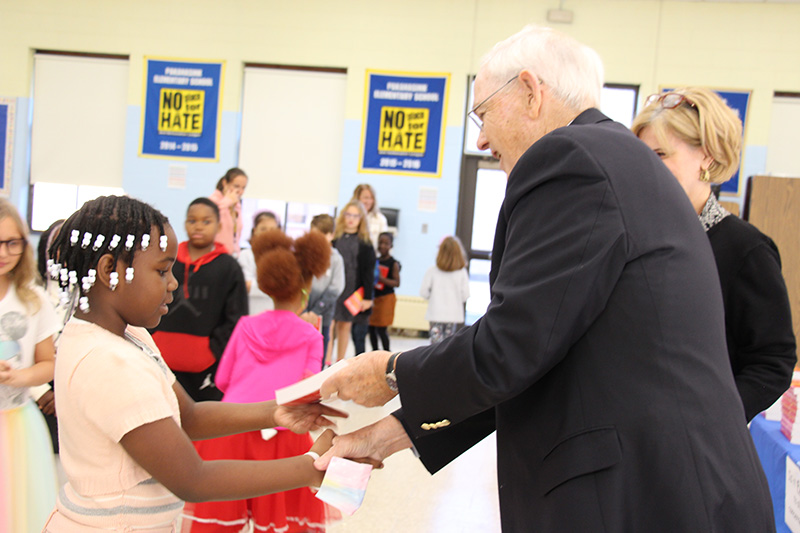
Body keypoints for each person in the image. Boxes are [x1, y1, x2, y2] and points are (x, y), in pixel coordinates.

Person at [315, 25, 776, 532]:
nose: (482, 137)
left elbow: (512, 344)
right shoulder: (616, 159)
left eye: (483, 112)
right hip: (675, 492)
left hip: (642, 498)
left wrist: (390, 372)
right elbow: (545, 351)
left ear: (532, 91)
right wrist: (392, 433)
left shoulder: (571, 159)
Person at [43, 195, 343, 532]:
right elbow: (193, 479)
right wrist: (309, 467)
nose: (173, 283)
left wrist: (275, 412)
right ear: (110, 269)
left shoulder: (130, 336)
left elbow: (188, 415)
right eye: (161, 270)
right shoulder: (107, 362)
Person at [632, 87, 796, 422]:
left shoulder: (745, 249)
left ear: (706, 157)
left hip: (694, 442)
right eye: (643, 156)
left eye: (661, 154)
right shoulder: (634, 237)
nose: (649, 168)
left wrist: (710, 417)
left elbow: (772, 361)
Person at [183, 229, 332, 533]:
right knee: (282, 516)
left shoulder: (245, 325)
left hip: (232, 426)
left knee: (219, 519)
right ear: (305, 290)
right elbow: (309, 391)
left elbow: (223, 379)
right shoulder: (311, 336)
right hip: (285, 432)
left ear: (269, 287)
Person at [150, 198, 248, 401]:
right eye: (192, 220)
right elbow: (149, 299)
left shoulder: (228, 267)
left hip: (206, 367)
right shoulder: (168, 260)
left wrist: (213, 351)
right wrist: (152, 337)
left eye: (206, 221)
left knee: (202, 421)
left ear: (219, 226)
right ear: (185, 223)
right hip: (160, 360)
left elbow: (236, 316)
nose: (198, 226)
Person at [0, 199, 59, 533]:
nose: (5, 252)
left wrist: (18, 377)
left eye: (13, 243)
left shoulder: (33, 299)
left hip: (16, 426)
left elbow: (47, 364)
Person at [34, 218, 65, 455]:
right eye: (55, 246)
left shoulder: (91, 297)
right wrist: (41, 391)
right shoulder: (31, 294)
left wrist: (64, 394)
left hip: (72, 390)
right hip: (34, 389)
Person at [331, 201, 375, 363]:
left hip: (352, 288)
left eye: (355, 216)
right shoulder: (335, 238)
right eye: (348, 215)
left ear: (361, 219)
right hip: (334, 286)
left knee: (345, 325)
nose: (351, 219)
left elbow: (368, 273)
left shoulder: (365, 243)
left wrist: (368, 297)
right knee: (330, 324)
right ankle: (327, 360)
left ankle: (339, 362)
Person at [304, 214, 344, 367]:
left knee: (318, 352)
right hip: (302, 312)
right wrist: (304, 309)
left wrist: (315, 311)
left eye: (322, 236)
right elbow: (298, 282)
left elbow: (336, 288)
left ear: (331, 235)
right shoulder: (303, 254)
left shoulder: (336, 259)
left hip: (323, 314)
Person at [419, 236, 469, 344]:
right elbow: (465, 295)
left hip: (435, 313)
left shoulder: (432, 271)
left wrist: (432, 297)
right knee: (447, 344)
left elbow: (423, 292)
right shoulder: (462, 272)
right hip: (453, 315)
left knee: (435, 344)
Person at [238, 211, 281, 315]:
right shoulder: (246, 255)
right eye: (263, 229)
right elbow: (246, 286)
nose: (267, 233)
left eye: (272, 230)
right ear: (255, 231)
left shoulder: (281, 257)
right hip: (250, 312)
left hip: (273, 313)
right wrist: (272, 285)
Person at [368, 232, 400, 351]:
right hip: (374, 297)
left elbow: (397, 283)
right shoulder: (375, 261)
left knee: (382, 329)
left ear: (391, 246)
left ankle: (386, 354)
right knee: (371, 328)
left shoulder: (393, 263)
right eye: (380, 242)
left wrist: (381, 279)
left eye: (386, 243)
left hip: (386, 298)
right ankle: (374, 352)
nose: (382, 246)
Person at [210, 167, 248, 256]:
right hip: (215, 255)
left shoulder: (236, 205)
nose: (240, 191)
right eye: (236, 186)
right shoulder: (213, 201)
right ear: (225, 183)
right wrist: (227, 201)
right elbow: (212, 218)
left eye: (243, 188)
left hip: (233, 255)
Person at [351, 183, 388, 250]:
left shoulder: (380, 219)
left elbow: (385, 244)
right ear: (357, 198)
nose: (368, 201)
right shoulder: (349, 216)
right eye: (366, 198)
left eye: (371, 198)